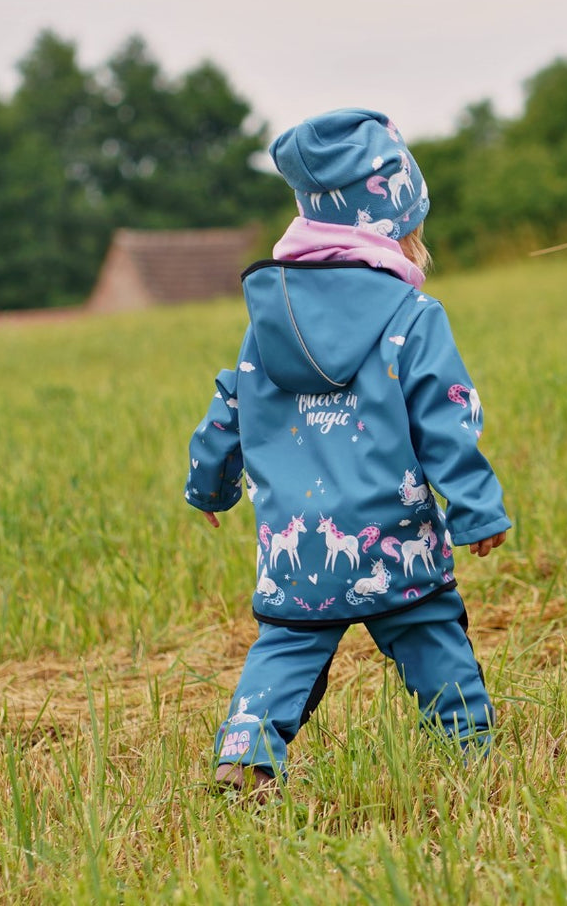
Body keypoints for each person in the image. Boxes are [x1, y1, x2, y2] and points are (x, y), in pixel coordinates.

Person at [184, 108, 511, 799]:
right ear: (395, 221)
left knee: (287, 648)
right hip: (397, 543)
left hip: (296, 548)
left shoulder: (269, 320)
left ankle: (245, 754)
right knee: (430, 637)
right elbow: (447, 422)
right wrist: (479, 511)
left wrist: (209, 486)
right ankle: (473, 751)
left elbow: (229, 407)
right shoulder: (412, 317)